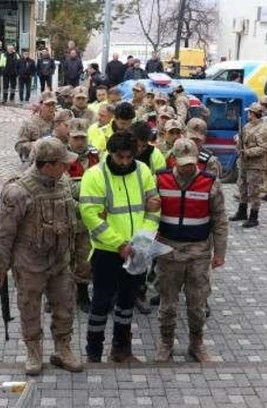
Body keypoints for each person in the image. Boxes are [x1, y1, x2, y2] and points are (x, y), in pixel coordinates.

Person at [0, 137, 84, 376]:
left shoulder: (62, 182)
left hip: (60, 261)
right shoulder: (18, 191)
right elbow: (3, 232)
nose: (66, 167)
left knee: (65, 306)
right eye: (62, 163)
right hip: (30, 264)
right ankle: (33, 350)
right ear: (48, 164)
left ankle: (63, 348)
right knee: (30, 308)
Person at [79, 131, 161, 363]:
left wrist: (142, 241)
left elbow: (154, 209)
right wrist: (119, 243)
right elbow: (91, 217)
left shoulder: (143, 171)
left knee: (127, 302)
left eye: (128, 157)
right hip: (107, 252)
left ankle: (121, 349)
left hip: (138, 250)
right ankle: (93, 353)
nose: (124, 162)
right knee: (101, 303)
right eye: (119, 157)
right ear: (110, 153)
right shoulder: (94, 176)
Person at [154, 138, 228, 363]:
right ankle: (166, 342)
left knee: (197, 303)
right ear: (173, 159)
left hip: (198, 252)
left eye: (191, 163)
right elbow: (148, 216)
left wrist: (220, 253)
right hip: (168, 251)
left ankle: (196, 344)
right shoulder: (160, 180)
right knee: (167, 303)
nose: (187, 167)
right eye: (182, 163)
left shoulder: (210, 183)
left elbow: (220, 220)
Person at [66, 118, 101, 313]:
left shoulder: (96, 155)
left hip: (89, 222)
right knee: (62, 258)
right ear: (69, 137)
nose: (80, 142)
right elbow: (63, 189)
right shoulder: (61, 156)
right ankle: (55, 294)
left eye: (83, 138)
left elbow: (104, 180)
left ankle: (82, 293)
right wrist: (89, 193)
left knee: (85, 259)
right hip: (68, 217)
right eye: (76, 138)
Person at [229, 102, 267, 228]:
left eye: (249, 112)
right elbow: (243, 139)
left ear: (253, 113)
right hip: (244, 162)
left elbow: (264, 148)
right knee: (242, 187)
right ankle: (242, 211)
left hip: (255, 165)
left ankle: (254, 216)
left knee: (254, 191)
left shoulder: (264, 129)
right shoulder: (247, 125)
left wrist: (247, 152)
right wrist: (238, 140)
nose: (247, 114)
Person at [15, 91, 57, 159]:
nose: (51, 108)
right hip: (36, 159)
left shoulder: (58, 121)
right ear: (40, 105)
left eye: (53, 104)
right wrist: (37, 145)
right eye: (48, 105)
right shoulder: (29, 123)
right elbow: (19, 146)